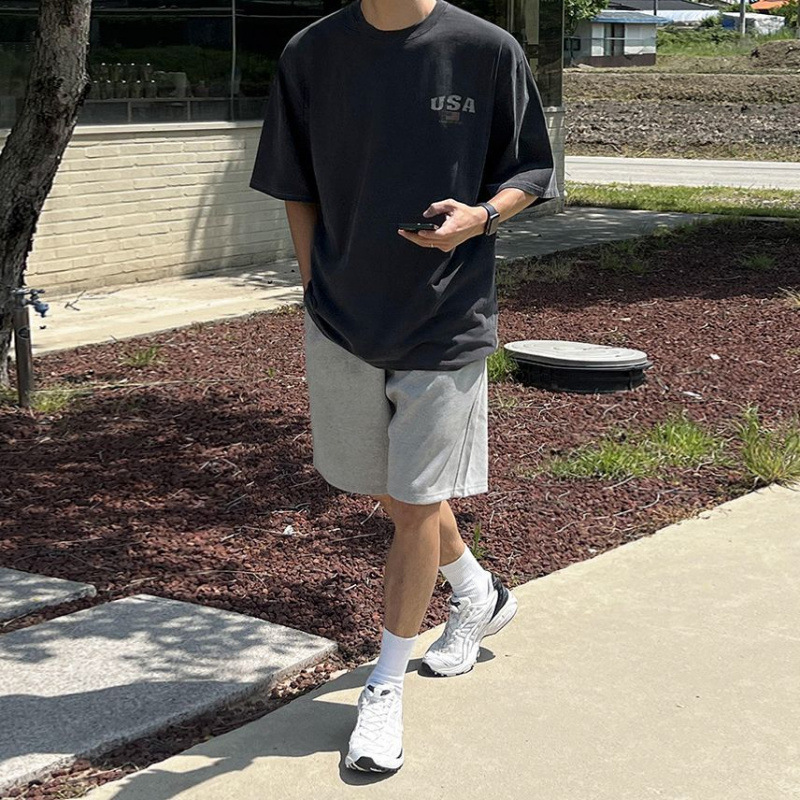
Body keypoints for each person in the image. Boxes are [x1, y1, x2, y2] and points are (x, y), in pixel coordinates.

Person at [250, 0, 559, 774]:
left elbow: (531, 169)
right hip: (342, 319)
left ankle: (385, 685)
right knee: (391, 491)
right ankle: (477, 592)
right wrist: (314, 285)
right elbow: (295, 184)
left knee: (416, 502)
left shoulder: (485, 49)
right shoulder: (312, 54)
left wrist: (480, 217)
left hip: (446, 317)